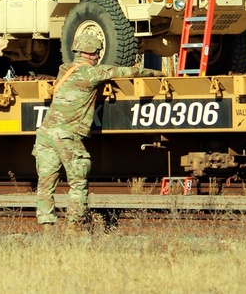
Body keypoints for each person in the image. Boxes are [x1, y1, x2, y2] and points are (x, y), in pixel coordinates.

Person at [33, 34, 164, 229]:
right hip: (67, 135)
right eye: (97, 54)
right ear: (93, 54)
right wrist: (156, 74)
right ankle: (74, 228)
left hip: (44, 134)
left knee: (45, 185)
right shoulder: (92, 73)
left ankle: (47, 229)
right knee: (78, 184)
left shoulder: (64, 70)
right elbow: (126, 72)